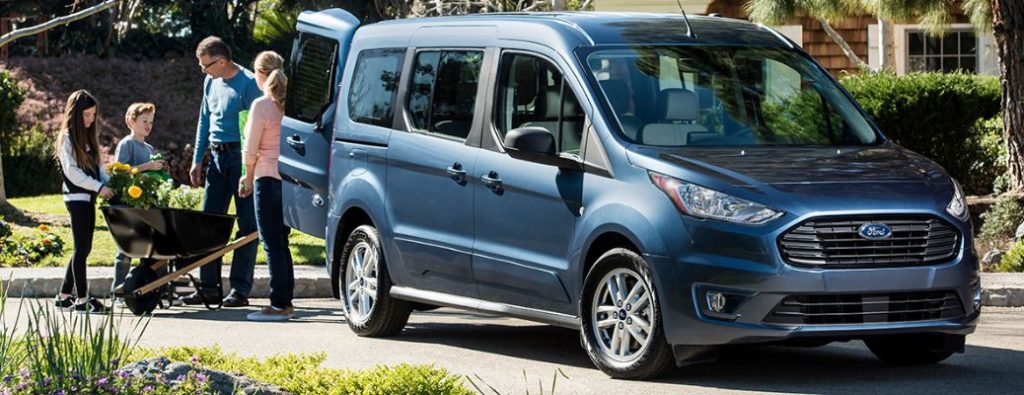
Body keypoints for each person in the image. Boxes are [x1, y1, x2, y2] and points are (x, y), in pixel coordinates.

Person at [184, 36, 261, 307]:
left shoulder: (249, 84)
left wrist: (249, 171)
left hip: (240, 159)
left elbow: (256, 130)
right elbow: (204, 121)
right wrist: (197, 160)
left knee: (247, 226)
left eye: (205, 65)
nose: (202, 70)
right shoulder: (210, 81)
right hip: (216, 159)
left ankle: (239, 290)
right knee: (209, 224)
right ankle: (209, 288)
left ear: (222, 61)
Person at [239, 51, 295, 321]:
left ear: (261, 74)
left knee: (271, 242)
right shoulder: (290, 104)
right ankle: (286, 300)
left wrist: (247, 176)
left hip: (266, 176)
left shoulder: (261, 105)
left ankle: (279, 304)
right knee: (282, 241)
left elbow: (250, 148)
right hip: (289, 178)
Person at [53, 90, 115, 313]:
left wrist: (111, 184)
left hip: (88, 198)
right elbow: (72, 173)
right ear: (75, 114)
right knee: (81, 248)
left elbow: (98, 169)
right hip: (76, 198)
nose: (90, 120)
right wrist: (99, 187)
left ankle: (63, 296)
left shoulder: (87, 139)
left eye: (93, 115)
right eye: (86, 115)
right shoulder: (67, 139)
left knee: (84, 248)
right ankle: (81, 300)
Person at [110, 102, 168, 300]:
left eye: (151, 122)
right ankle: (119, 291)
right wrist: (147, 166)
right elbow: (121, 172)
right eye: (144, 121)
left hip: (146, 204)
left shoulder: (149, 148)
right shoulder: (127, 144)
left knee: (153, 247)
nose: (148, 126)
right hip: (128, 204)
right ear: (131, 122)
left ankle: (156, 289)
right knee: (126, 248)